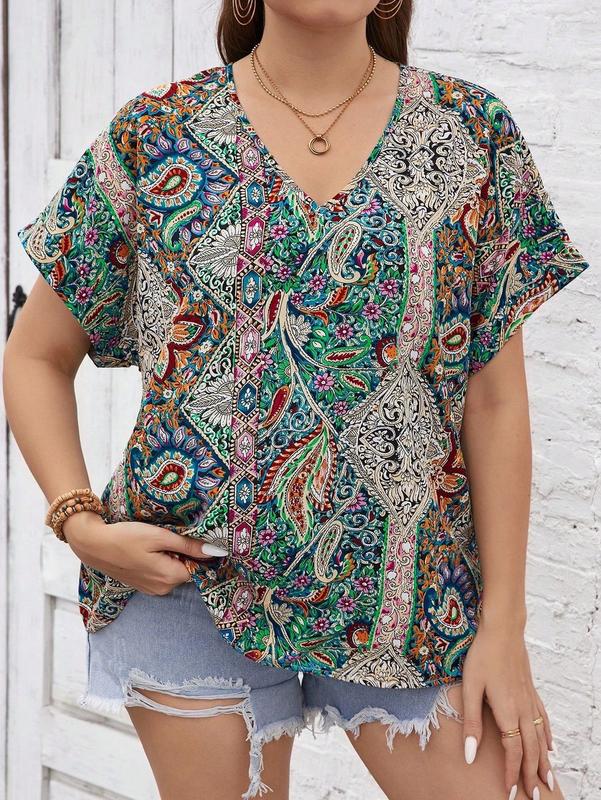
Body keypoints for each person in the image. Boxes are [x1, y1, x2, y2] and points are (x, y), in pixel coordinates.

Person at [4, 1, 591, 798]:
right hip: (190, 584)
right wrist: (79, 523)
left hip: (413, 593)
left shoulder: (469, 133)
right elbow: (35, 355)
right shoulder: (155, 134)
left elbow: (493, 402)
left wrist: (504, 627)